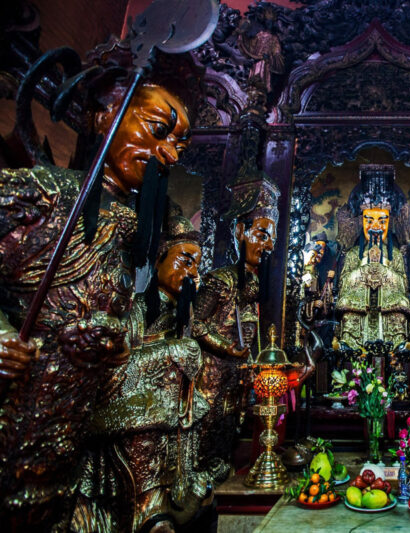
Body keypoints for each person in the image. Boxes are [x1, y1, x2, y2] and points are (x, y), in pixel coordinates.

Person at [0, 83, 190, 530]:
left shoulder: (136, 227)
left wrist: (120, 340)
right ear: (107, 115)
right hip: (22, 410)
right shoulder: (50, 195)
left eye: (178, 145)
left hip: (79, 428)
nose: (171, 155)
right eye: (159, 131)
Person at [73, 215, 211, 533]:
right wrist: (170, 353)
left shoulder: (181, 317)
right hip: (129, 422)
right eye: (184, 261)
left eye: (196, 265)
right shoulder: (134, 311)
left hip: (174, 424)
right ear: (159, 257)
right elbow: (112, 373)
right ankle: (147, 511)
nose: (192, 272)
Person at [191, 163, 280, 484]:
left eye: (271, 238)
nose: (267, 245)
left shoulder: (255, 284)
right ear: (240, 232)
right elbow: (196, 323)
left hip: (239, 375)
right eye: (260, 234)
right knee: (207, 426)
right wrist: (227, 347)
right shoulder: (220, 280)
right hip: (212, 372)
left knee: (230, 428)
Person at [335, 164, 410, 350]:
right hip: (359, 306)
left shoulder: (394, 254)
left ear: (390, 224)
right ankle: (351, 349)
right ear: (361, 223)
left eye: (382, 221)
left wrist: (385, 267)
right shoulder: (354, 253)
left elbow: (403, 284)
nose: (376, 226)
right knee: (348, 313)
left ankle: (397, 349)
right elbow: (343, 282)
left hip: (387, 307)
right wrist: (364, 266)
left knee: (398, 313)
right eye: (369, 220)